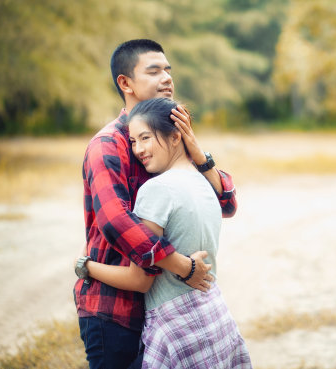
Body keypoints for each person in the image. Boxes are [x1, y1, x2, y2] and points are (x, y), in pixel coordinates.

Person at [73, 39, 238, 369]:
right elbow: (114, 221)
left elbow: (226, 203)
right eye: (154, 71)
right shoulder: (108, 145)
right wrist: (182, 267)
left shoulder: (169, 138)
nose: (167, 78)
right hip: (115, 308)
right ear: (126, 83)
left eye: (168, 70)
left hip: (160, 306)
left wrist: (198, 155)